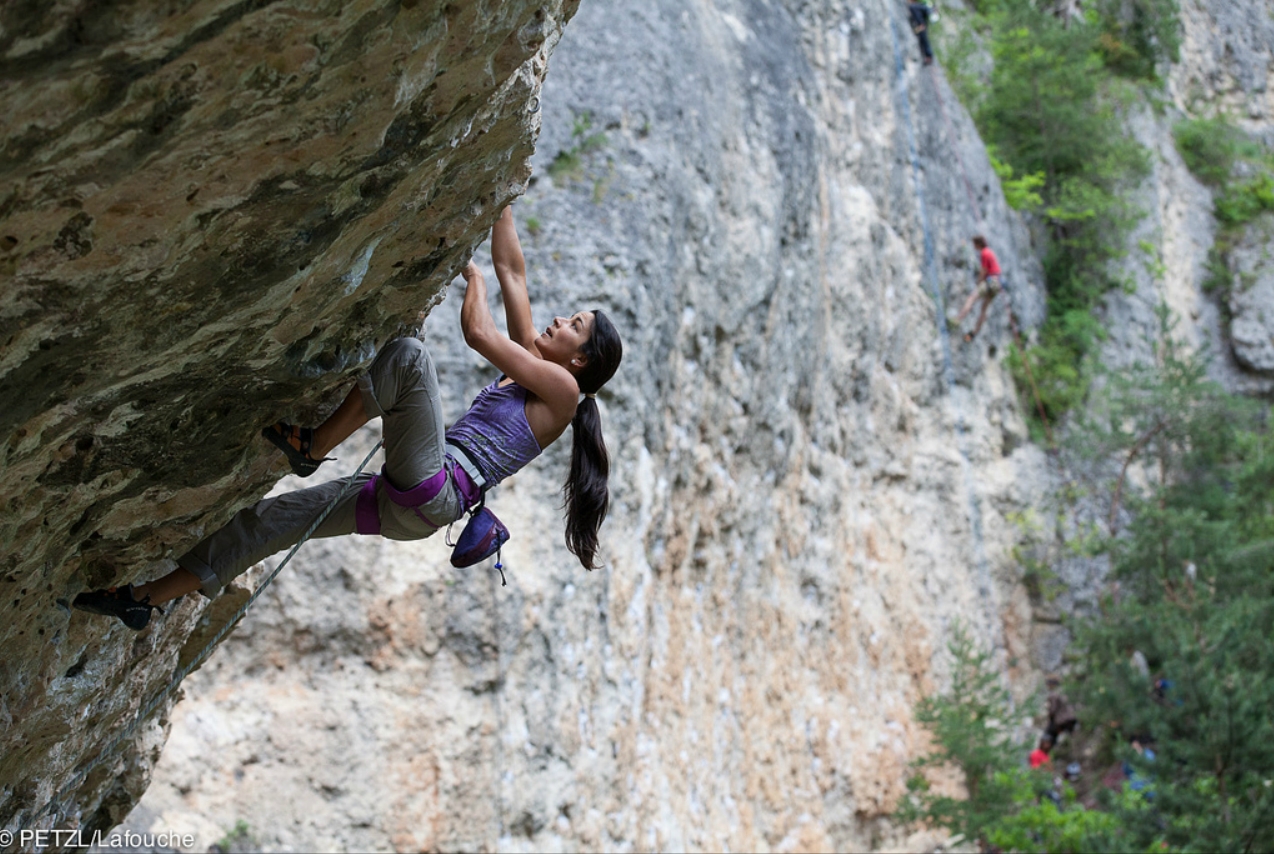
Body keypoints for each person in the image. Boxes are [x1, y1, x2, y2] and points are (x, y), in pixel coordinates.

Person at [73, 206, 623, 631]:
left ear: (580, 359)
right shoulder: (539, 370)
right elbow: (515, 272)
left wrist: (472, 283)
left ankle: (313, 448)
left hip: (433, 487)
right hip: (413, 504)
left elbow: (480, 333)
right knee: (265, 523)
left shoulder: (563, 391)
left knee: (409, 357)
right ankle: (142, 601)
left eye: (573, 324)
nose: (558, 318)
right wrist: (503, 199)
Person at [954, 234, 1001, 342]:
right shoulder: (990, 251)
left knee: (971, 298)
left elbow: (983, 270)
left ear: (978, 244)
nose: (974, 247)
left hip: (989, 281)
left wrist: (979, 282)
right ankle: (973, 333)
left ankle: (958, 319)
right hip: (997, 283)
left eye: (974, 244)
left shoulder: (984, 253)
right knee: (983, 309)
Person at [1045, 676, 1078, 743]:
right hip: (1072, 717)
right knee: (1072, 735)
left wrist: (1050, 719)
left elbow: (1053, 710)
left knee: (1048, 734)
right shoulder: (1064, 691)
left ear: (1052, 684)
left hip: (1062, 720)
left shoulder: (1053, 695)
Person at [907, 1, 935, 66]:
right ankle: (928, 55)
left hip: (927, 8)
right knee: (922, 34)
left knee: (913, 7)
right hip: (926, 9)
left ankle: (921, 24)